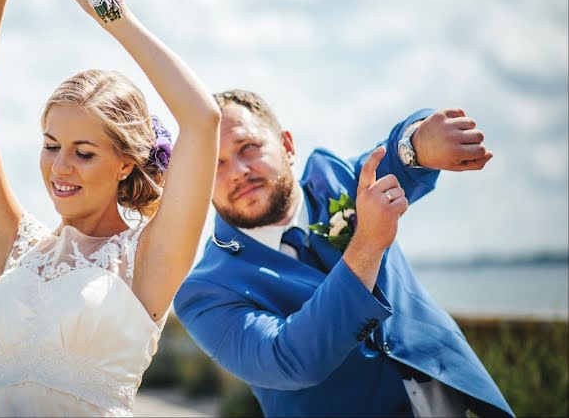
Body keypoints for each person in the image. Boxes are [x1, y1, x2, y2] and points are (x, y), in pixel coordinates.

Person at [0, 0, 220, 417]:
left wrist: (113, 14)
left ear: (125, 163)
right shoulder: (18, 248)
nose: (60, 166)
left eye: (84, 152)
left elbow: (202, 120)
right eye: (51, 145)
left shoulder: (148, 260)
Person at [173, 90, 514, 417]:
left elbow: (401, 149)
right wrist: (366, 244)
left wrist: (422, 141)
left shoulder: (344, 183)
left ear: (287, 145)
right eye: (214, 164)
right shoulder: (205, 292)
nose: (237, 171)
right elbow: (288, 360)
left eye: (248, 147)